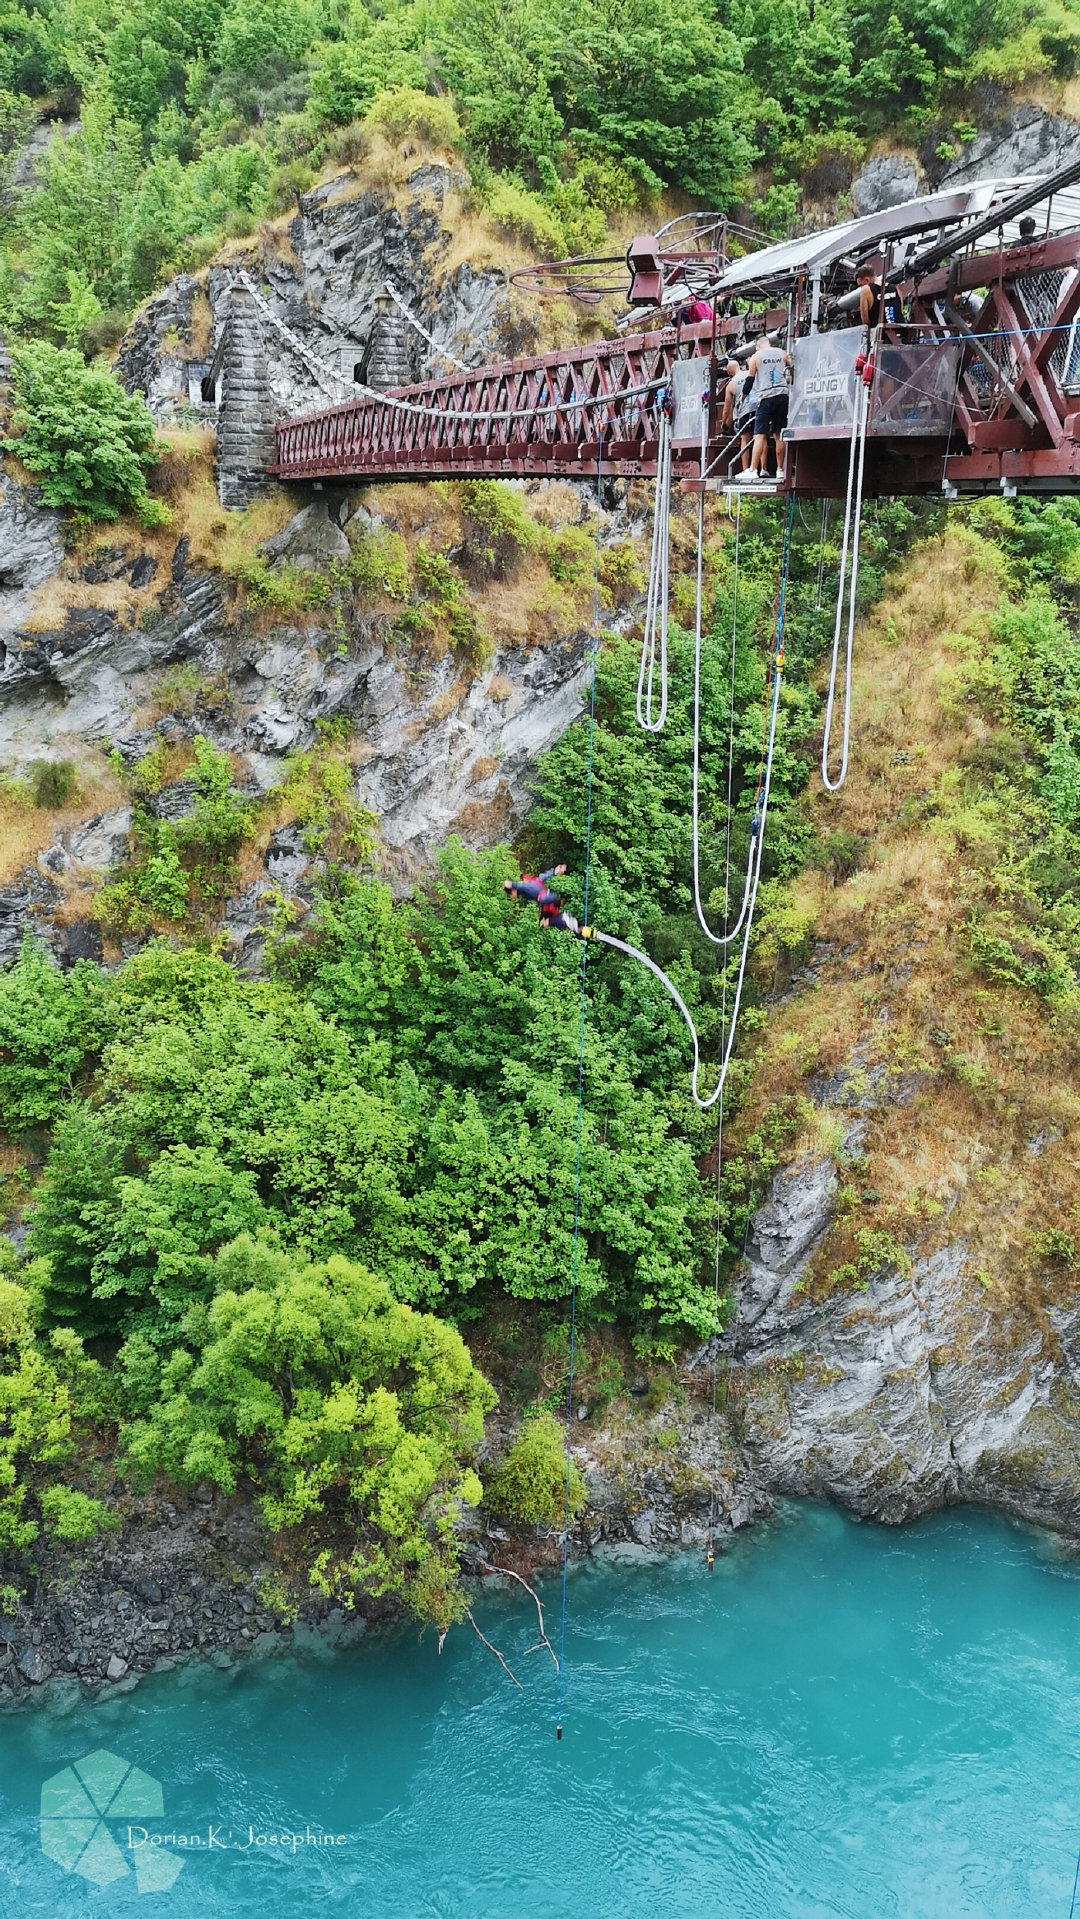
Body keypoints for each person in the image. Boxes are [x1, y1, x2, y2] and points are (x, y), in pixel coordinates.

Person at [741, 335, 792, 483]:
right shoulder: (782, 353)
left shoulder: (756, 357)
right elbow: (792, 367)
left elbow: (750, 380)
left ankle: (752, 470)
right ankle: (780, 470)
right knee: (779, 434)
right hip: (783, 395)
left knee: (759, 435)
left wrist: (744, 395)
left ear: (758, 346)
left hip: (766, 397)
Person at [503, 864, 583, 935]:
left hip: (547, 900)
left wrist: (511, 885)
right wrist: (554, 872)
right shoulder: (528, 884)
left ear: (513, 891)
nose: (512, 897)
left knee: (543, 923)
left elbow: (514, 885)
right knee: (543, 923)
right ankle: (569, 924)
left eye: (510, 895)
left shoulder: (522, 887)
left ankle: (564, 920)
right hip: (549, 900)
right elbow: (541, 878)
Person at [855, 259, 903, 330]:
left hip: (880, 335)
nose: (861, 287)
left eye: (861, 285)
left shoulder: (865, 290)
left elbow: (865, 320)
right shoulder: (895, 288)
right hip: (900, 333)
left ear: (867, 280)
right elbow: (901, 311)